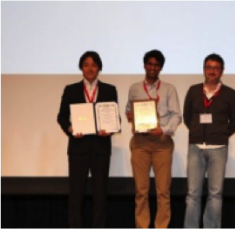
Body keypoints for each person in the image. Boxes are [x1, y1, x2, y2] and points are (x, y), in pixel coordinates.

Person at [57, 51, 119, 229]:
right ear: (81, 68)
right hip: (78, 147)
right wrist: (70, 129)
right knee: (76, 195)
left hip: (101, 148)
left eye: (93, 65)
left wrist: (111, 129)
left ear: (99, 67)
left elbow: (116, 119)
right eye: (86, 64)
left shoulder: (109, 89)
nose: (90, 68)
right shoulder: (71, 90)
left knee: (100, 195)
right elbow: (62, 117)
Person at [183, 53, 235, 229]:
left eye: (216, 68)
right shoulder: (193, 90)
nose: (212, 71)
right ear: (204, 70)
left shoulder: (230, 94)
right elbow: (187, 117)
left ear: (222, 71)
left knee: (215, 194)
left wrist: (221, 134)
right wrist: (196, 132)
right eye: (209, 67)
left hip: (218, 148)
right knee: (193, 194)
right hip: (196, 147)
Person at [125, 50, 182, 229]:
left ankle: (161, 227)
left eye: (156, 65)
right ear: (144, 65)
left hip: (162, 145)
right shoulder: (134, 88)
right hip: (140, 143)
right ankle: (142, 226)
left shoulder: (169, 89)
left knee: (163, 191)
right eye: (149, 64)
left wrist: (164, 130)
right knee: (141, 191)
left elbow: (176, 116)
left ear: (161, 68)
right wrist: (131, 116)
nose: (152, 67)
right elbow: (128, 110)